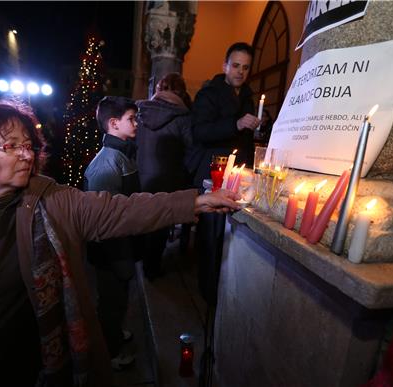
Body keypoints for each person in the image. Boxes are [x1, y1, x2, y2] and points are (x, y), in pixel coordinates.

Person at [0, 98, 240, 387]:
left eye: (29, 145)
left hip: (29, 372)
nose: (27, 154)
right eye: (11, 146)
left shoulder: (53, 203)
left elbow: (120, 210)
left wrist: (193, 201)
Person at [83, 96, 140, 370]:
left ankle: (114, 333)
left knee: (119, 294)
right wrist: (116, 254)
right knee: (110, 299)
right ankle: (109, 352)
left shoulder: (121, 154)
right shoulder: (107, 164)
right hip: (110, 248)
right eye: (132, 118)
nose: (136, 123)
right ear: (114, 124)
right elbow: (102, 219)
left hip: (121, 243)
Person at [136, 72, 195, 279]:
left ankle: (143, 262)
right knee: (160, 225)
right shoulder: (184, 117)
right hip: (169, 178)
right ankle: (152, 269)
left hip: (142, 175)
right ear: (181, 92)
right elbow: (191, 150)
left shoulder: (141, 111)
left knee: (144, 220)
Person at [191, 41, 260, 188]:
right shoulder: (208, 94)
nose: (241, 72)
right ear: (225, 67)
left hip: (240, 171)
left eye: (245, 67)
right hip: (212, 169)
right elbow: (199, 132)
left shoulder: (247, 98)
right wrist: (236, 124)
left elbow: (246, 141)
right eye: (236, 66)